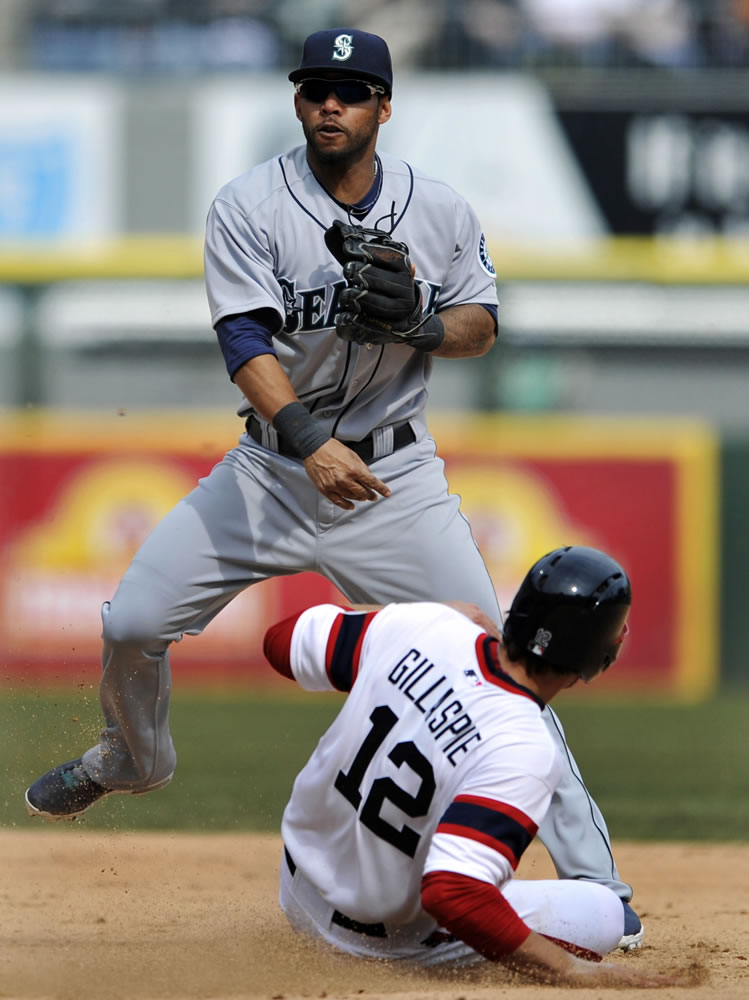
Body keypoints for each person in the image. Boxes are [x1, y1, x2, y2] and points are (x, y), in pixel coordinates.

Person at [25, 27, 641, 950]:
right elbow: (243, 342)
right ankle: (132, 757)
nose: (330, 104)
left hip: (395, 479)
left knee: (507, 684)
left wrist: (427, 323)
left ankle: (600, 888)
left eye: (351, 91)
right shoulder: (247, 204)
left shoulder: (436, 209)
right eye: (315, 88)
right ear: (297, 99)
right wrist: (308, 442)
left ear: (383, 108)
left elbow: (482, 326)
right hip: (272, 468)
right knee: (129, 623)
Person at [263, 546, 686, 986]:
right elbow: (453, 892)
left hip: (295, 889)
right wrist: (569, 970)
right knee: (605, 915)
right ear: (596, 655)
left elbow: (279, 642)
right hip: (373, 943)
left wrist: (407, 616)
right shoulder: (524, 746)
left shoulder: (425, 626)